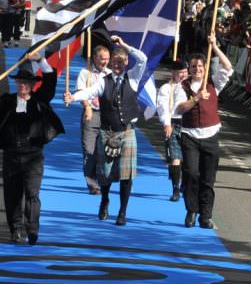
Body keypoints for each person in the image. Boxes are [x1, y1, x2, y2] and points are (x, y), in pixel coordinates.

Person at [0, 53, 63, 245]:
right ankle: (16, 230)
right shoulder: (7, 100)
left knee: (32, 193)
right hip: (11, 155)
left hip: (34, 155)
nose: (22, 85)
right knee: (13, 194)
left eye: (26, 82)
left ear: (32, 84)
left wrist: (41, 60)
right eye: (19, 82)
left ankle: (32, 228)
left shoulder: (40, 99)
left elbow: (50, 81)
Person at [65, 36, 147, 226]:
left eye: (121, 61)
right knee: (105, 174)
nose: (117, 65)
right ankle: (104, 200)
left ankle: (122, 212)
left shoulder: (133, 77)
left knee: (127, 175)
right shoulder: (104, 81)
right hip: (108, 132)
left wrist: (124, 45)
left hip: (127, 132)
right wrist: (73, 97)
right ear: (111, 62)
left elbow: (142, 59)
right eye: (114, 62)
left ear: (126, 62)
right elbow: (89, 92)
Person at [175, 35, 234, 228]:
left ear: (205, 67)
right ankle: (191, 210)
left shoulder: (213, 83)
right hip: (190, 136)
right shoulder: (182, 86)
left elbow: (228, 68)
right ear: (189, 69)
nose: (197, 69)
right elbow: (180, 108)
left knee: (208, 178)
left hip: (210, 136)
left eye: (200, 66)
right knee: (192, 173)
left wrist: (215, 47)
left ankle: (206, 216)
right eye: (193, 67)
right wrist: (197, 98)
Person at [74, 46, 110, 194]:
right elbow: (80, 92)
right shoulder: (85, 73)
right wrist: (87, 106)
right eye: (102, 58)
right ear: (95, 58)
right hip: (91, 114)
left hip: (107, 115)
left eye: (107, 59)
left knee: (106, 151)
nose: (105, 62)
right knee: (89, 150)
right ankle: (92, 183)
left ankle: (104, 179)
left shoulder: (111, 74)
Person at [155, 61, 189, 202]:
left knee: (188, 158)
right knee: (175, 157)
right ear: (173, 73)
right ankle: (175, 188)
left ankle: (185, 184)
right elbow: (163, 107)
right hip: (174, 123)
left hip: (189, 124)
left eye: (185, 72)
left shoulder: (191, 87)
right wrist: (166, 123)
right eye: (180, 73)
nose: (183, 75)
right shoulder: (166, 88)